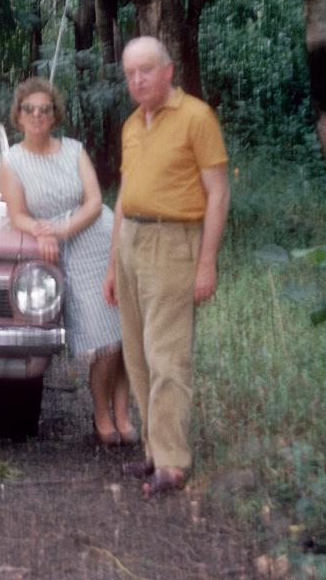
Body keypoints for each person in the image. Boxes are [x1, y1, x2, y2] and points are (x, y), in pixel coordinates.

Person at [101, 36, 230, 497]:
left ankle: (173, 463)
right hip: (133, 240)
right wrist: (114, 265)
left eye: (147, 71)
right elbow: (123, 199)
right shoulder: (133, 125)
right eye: (131, 74)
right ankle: (155, 451)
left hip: (174, 243)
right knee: (136, 354)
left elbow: (218, 192)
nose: (138, 80)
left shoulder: (197, 116)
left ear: (168, 71)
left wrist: (206, 263)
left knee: (166, 354)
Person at [0, 78, 135, 447]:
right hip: (65, 255)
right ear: (19, 115)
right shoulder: (11, 160)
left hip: (101, 236)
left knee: (125, 334)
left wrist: (61, 229)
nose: (38, 116)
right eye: (30, 109)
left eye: (45, 109)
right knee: (105, 341)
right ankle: (101, 413)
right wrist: (45, 234)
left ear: (55, 113)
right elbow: (17, 215)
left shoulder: (74, 150)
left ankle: (123, 413)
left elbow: (94, 202)